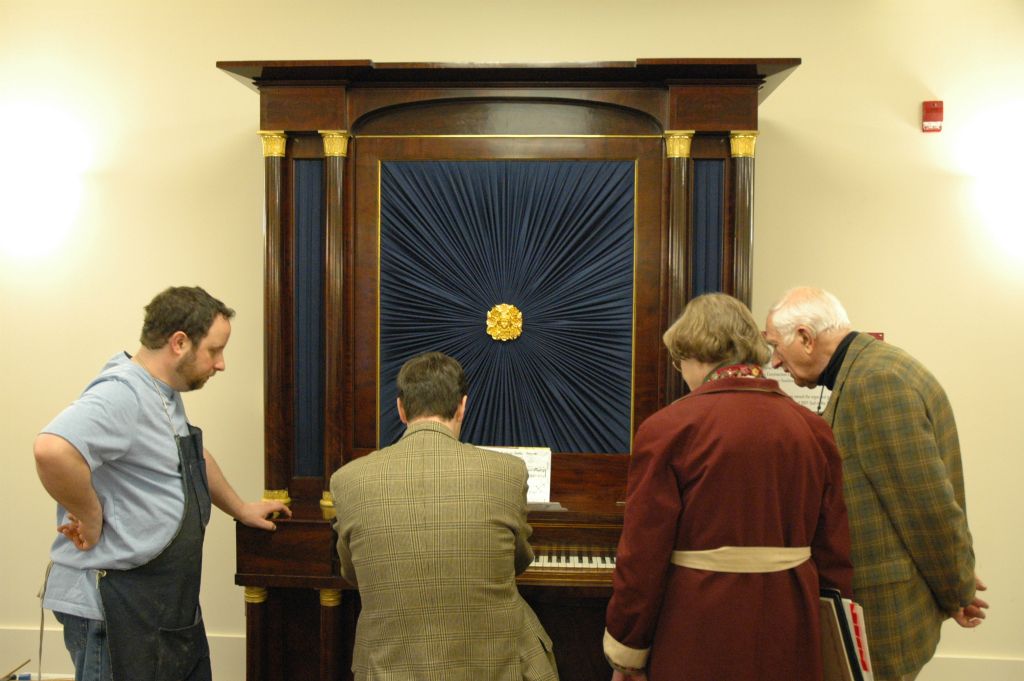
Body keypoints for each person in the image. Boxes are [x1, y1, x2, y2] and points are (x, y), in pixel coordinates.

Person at [34, 286, 291, 681]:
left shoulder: (161, 393)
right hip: (113, 609)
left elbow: (191, 456)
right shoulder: (124, 393)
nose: (221, 364)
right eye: (214, 350)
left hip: (158, 604)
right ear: (179, 343)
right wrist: (90, 515)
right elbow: (52, 449)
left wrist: (240, 508)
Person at [604, 293, 853, 681]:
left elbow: (642, 556)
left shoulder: (669, 429)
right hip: (792, 618)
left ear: (693, 353)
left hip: (696, 623)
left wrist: (627, 650)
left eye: (678, 362)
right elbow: (834, 549)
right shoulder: (812, 428)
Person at [765, 286, 988, 681]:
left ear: (804, 336)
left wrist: (958, 587)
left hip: (886, 611)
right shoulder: (874, 369)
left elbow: (927, 508)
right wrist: (956, 579)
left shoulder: (875, 383)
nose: (775, 361)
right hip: (890, 599)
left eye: (775, 346)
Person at [330, 351, 558, 681]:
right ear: (463, 406)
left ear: (401, 409)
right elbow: (518, 562)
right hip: (494, 666)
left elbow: (353, 573)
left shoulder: (348, 480)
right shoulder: (508, 472)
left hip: (389, 668)